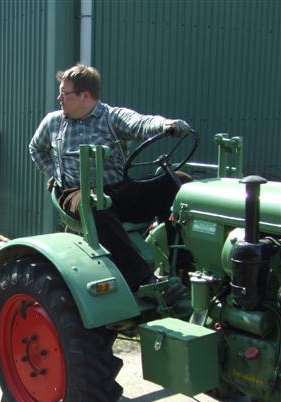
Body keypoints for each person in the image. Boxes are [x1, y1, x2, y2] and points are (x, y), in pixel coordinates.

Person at [29, 64, 192, 292]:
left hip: (118, 190)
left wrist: (165, 125)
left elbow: (140, 123)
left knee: (180, 183)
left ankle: (183, 266)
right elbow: (36, 149)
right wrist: (55, 174)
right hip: (76, 193)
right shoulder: (54, 122)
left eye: (64, 93)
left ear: (85, 96)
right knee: (95, 201)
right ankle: (142, 280)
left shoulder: (112, 117)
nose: (59, 98)